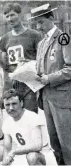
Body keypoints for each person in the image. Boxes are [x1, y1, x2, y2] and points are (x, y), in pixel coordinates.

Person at [30, 3, 71, 165]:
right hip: (45, 97)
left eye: (41, 22)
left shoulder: (63, 39)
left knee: (67, 142)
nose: (38, 26)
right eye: (36, 24)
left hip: (62, 99)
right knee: (54, 142)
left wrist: (49, 78)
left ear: (51, 19)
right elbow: (42, 68)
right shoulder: (41, 43)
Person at [0, 3, 42, 113]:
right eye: (7, 16)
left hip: (30, 84)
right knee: (14, 117)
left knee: (30, 116)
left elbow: (42, 60)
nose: (10, 19)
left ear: (20, 15)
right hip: (13, 83)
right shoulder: (5, 38)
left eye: (12, 15)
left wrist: (29, 62)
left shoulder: (34, 35)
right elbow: (5, 67)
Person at [1, 89, 57, 165]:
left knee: (32, 156)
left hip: (43, 156)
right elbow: (7, 148)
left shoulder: (32, 117)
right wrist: (5, 162)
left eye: (14, 104)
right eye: (7, 105)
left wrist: (14, 151)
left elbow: (37, 146)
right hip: (23, 157)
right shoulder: (7, 122)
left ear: (21, 103)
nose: (10, 108)